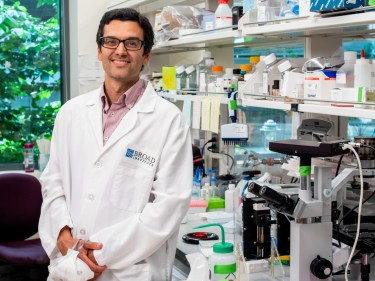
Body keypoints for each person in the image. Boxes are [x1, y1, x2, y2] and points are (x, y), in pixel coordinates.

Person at [38, 7, 193, 281]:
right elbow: (53, 181)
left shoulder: (169, 120)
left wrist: (99, 253)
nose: (120, 51)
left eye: (132, 43)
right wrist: (61, 234)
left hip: (129, 271)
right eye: (111, 41)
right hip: (69, 262)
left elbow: (169, 206)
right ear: (100, 50)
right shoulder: (71, 113)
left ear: (146, 55)